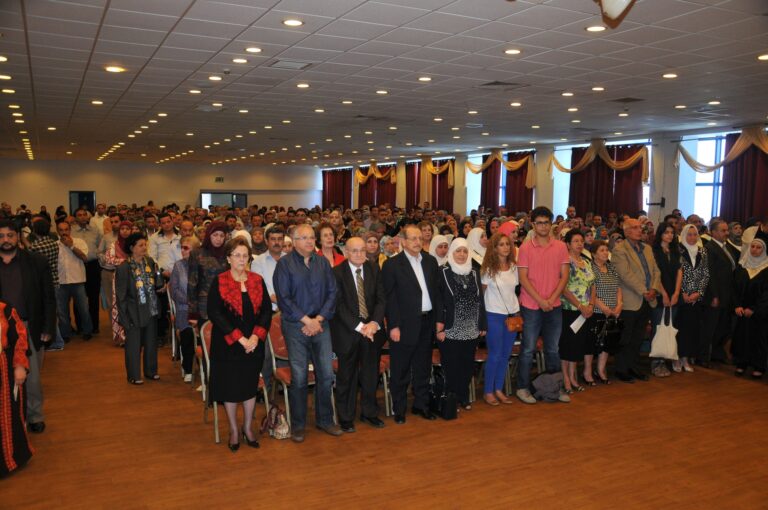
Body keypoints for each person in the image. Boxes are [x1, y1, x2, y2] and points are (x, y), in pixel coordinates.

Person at [274, 224, 340, 442]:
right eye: (304, 238)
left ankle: (325, 420)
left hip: (321, 324)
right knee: (300, 377)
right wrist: (306, 320)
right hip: (296, 326)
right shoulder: (284, 264)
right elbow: (284, 298)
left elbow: (332, 293)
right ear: (294, 242)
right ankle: (298, 424)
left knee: (326, 375)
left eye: (312, 237)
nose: (310, 241)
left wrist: (318, 320)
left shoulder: (322, 263)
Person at [207, 238, 272, 451]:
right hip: (227, 344)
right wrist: (240, 338)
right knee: (231, 388)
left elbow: (266, 312)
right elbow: (214, 313)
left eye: (245, 256)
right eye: (237, 255)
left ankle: (247, 427)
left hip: (253, 344)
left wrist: (255, 337)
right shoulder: (220, 281)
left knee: (249, 386)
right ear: (228, 258)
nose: (242, 259)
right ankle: (234, 430)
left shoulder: (257, 280)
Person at [0, 220, 56, 434]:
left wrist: (48, 327)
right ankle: (10, 418)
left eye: (10, 235)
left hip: (29, 326)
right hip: (0, 328)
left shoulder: (36, 261)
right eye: (1, 236)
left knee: (32, 378)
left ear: (18, 237)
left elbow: (48, 297)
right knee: (4, 375)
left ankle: (34, 415)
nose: (6, 240)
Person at [382, 224, 442, 423]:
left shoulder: (430, 261)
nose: (418, 242)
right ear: (403, 241)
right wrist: (393, 325)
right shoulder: (392, 265)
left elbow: (437, 293)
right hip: (404, 325)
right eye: (413, 238)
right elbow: (390, 299)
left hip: (427, 321)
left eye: (420, 238)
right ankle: (399, 409)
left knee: (423, 367)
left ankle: (421, 405)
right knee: (401, 369)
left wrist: (439, 320)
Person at [330, 237, 387, 432]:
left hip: (372, 332)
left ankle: (369, 412)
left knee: (370, 374)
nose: (359, 254)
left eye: (362, 250)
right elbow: (338, 305)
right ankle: (346, 417)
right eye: (354, 250)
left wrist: (374, 323)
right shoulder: (337, 273)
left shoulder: (374, 269)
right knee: (347, 376)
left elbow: (381, 299)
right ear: (346, 252)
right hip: (348, 332)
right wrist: (361, 327)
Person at [515, 206, 570, 404]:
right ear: (533, 224)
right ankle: (522, 388)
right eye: (539, 223)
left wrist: (551, 299)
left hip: (554, 305)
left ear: (551, 223)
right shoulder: (526, 248)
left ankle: (556, 388)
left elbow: (564, 276)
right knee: (528, 349)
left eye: (546, 222)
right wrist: (540, 300)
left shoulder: (561, 247)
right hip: (531, 305)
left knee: (553, 349)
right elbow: (523, 278)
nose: (543, 226)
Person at [436, 238, 486, 410]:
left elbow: (480, 300)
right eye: (458, 251)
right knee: (451, 365)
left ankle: (463, 396)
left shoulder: (474, 272)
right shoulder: (443, 271)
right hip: (450, 328)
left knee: (467, 364)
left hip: (471, 327)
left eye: (465, 251)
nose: (462, 254)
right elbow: (438, 301)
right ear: (452, 252)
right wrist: (439, 327)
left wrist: (482, 324)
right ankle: (451, 397)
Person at [612, 218, 662, 382]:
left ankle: (632, 366)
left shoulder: (647, 248)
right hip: (630, 300)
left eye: (640, 228)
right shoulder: (620, 249)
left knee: (638, 337)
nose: (640, 230)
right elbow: (625, 274)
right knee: (626, 338)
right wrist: (645, 291)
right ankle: (621, 369)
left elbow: (656, 271)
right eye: (635, 228)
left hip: (647, 299)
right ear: (626, 232)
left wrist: (654, 289)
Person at [115, 233, 164, 384]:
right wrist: (124, 317)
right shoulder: (124, 268)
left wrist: (160, 280)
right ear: (132, 248)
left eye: (145, 245)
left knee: (151, 343)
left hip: (151, 308)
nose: (144, 248)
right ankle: (134, 375)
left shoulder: (150, 262)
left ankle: (151, 371)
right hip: (133, 311)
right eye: (140, 245)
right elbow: (121, 296)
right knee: (133, 345)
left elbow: (156, 283)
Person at [480, 232, 519, 405]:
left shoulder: (514, 267)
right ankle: (488, 391)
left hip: (512, 316)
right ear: (494, 248)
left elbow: (515, 291)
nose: (506, 247)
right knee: (495, 355)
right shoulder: (488, 270)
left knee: (505, 355)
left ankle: (498, 389)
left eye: (507, 244)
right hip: (493, 315)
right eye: (501, 244)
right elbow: (481, 295)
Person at [559, 230, 596, 393]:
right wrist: (581, 306)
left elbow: (592, 285)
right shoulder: (565, 262)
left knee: (577, 345)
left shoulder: (586, 261)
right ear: (567, 244)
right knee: (567, 344)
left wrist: (591, 305)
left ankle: (573, 376)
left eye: (581, 241)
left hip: (586, 310)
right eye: (576, 241)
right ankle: (566, 379)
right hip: (570, 309)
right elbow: (564, 288)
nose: (580, 244)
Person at [0, 301, 33, 475]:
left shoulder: (5, 310)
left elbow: (20, 337)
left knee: (8, 415)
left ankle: (11, 459)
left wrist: (20, 365)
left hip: (4, 375)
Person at [699, 218, 736, 367]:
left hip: (727, 294)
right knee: (710, 327)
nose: (726, 233)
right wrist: (714, 295)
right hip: (715, 295)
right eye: (723, 230)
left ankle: (717, 354)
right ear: (713, 232)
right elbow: (710, 274)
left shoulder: (727, 247)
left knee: (722, 327)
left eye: (727, 230)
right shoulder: (709, 248)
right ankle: (702, 357)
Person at [675, 224, 710, 373]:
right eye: (689, 234)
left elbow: (705, 274)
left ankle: (685, 358)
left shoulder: (703, 251)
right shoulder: (678, 250)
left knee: (691, 330)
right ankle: (676, 358)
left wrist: (699, 293)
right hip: (681, 297)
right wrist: (682, 292)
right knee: (679, 329)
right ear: (684, 235)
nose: (692, 237)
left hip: (695, 298)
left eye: (695, 234)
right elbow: (675, 273)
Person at [732, 239, 768, 378]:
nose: (754, 249)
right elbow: (734, 289)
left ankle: (759, 366)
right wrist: (737, 305)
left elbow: (766, 294)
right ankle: (741, 363)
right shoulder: (742, 266)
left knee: (759, 338)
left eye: (758, 247)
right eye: (752, 246)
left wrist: (754, 309)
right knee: (741, 337)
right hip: (742, 311)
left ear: (763, 250)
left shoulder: (766, 268)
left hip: (760, 313)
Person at [650, 222, 682, 377]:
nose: (670, 235)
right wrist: (663, 293)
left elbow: (679, 272)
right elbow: (654, 274)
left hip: (674, 293)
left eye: (672, 232)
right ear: (660, 234)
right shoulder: (654, 251)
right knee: (658, 328)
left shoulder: (676, 250)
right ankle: (656, 362)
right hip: (659, 293)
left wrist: (676, 293)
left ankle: (665, 358)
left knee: (670, 327)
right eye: (666, 232)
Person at [587, 240, 621, 384]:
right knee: (591, 343)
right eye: (602, 250)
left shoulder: (611, 267)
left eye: (606, 250)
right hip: (596, 311)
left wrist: (619, 305)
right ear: (594, 254)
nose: (606, 253)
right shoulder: (590, 268)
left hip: (613, 311)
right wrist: (604, 308)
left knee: (607, 342)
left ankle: (601, 370)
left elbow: (618, 287)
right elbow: (590, 291)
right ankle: (587, 372)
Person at [55, 220, 93, 342]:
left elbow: (84, 258)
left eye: (66, 229)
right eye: (61, 230)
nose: (64, 232)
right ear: (57, 231)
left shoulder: (79, 242)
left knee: (83, 308)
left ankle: (87, 331)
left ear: (70, 230)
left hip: (78, 281)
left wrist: (71, 246)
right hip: (61, 282)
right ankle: (65, 334)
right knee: (62, 311)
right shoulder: (54, 245)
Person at [169, 235, 200, 382]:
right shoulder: (178, 266)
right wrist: (189, 301)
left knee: (204, 335)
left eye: (186, 248)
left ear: (195, 250)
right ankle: (188, 368)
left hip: (201, 309)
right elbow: (174, 290)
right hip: (184, 309)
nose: (182, 250)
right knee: (187, 335)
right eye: (181, 247)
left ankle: (204, 368)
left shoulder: (202, 265)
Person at [187, 221, 228, 325]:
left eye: (222, 236)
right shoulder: (197, 254)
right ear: (209, 235)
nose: (218, 239)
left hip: (225, 303)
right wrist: (193, 312)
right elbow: (192, 284)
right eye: (215, 235)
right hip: (205, 304)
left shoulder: (228, 254)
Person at [104, 220, 133, 346]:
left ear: (131, 230)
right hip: (119, 278)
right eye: (122, 229)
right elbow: (109, 259)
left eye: (127, 228)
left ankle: (133, 335)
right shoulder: (114, 245)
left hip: (135, 277)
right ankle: (121, 337)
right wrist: (126, 261)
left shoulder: (135, 244)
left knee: (132, 305)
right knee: (119, 304)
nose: (125, 231)